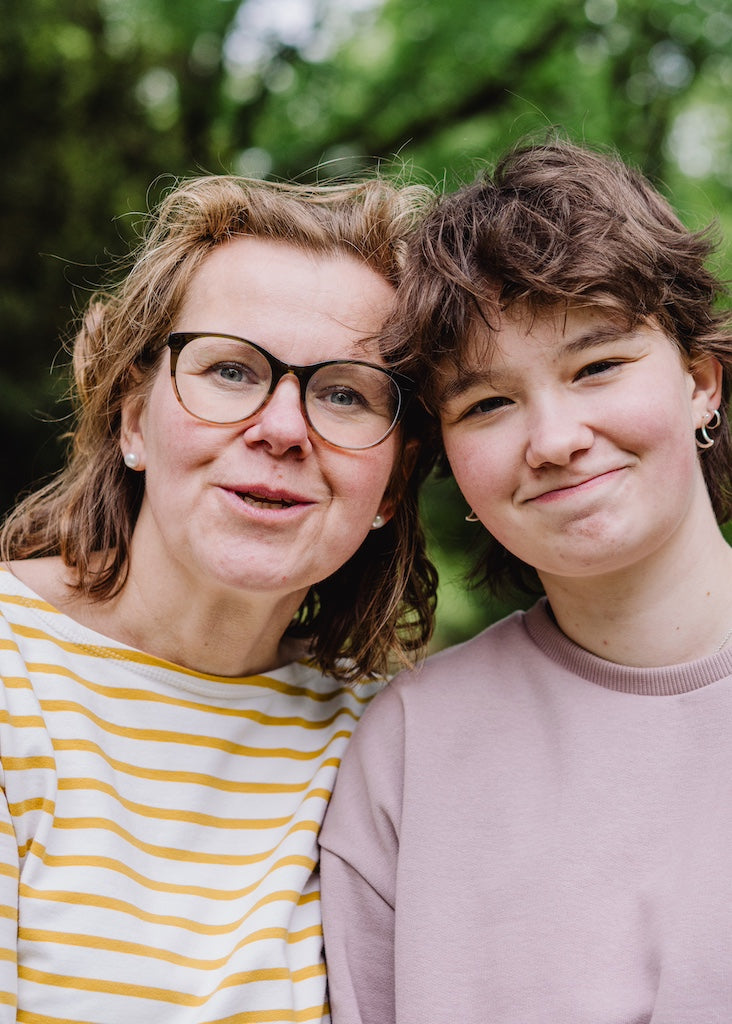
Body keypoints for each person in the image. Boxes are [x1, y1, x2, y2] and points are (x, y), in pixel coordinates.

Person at [0, 172, 438, 1022]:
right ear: (133, 418)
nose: (281, 428)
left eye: (344, 392)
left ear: (394, 481)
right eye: (232, 370)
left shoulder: (386, 745)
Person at [319, 140, 732, 1023]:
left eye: (597, 366)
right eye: (488, 405)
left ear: (701, 382)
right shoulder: (407, 754)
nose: (554, 439)